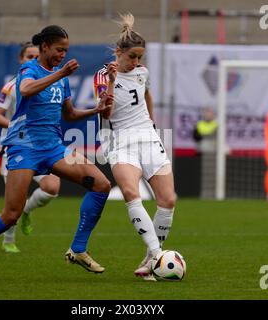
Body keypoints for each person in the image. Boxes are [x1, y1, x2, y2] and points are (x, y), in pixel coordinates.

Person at [0, 25, 114, 282]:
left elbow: (69, 115)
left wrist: (95, 109)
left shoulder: (62, 79)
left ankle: (78, 249)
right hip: (24, 147)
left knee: (101, 184)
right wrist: (60, 73)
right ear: (45, 46)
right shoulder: (30, 69)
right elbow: (25, 90)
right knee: (11, 214)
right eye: (59, 49)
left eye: (66, 51)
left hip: (54, 147)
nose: (62, 54)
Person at [94, 13, 175, 281]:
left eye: (140, 58)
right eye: (132, 57)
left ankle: (151, 259)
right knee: (131, 193)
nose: (136, 62)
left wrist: (151, 121)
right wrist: (112, 84)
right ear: (119, 52)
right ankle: (157, 254)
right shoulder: (103, 76)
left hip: (149, 138)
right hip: (120, 141)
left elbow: (147, 94)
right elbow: (105, 114)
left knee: (168, 200)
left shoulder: (142, 73)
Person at [0, 42, 61, 253]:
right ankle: (8, 239)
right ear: (21, 60)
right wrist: (17, 124)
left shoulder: (47, 84)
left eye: (35, 56)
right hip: (15, 148)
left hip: (40, 147)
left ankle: (27, 211)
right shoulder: (11, 86)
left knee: (52, 188)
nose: (32, 59)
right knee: (13, 206)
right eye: (28, 56)